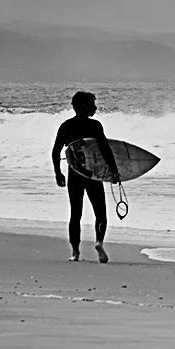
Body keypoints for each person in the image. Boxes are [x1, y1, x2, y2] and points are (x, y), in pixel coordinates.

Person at [52, 91, 121, 263]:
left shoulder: (65, 126)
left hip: (74, 175)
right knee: (101, 213)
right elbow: (105, 150)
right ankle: (99, 243)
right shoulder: (95, 126)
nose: (95, 107)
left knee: (75, 214)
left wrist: (58, 173)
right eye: (92, 103)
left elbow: (55, 152)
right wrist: (114, 171)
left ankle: (75, 253)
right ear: (83, 106)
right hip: (92, 175)